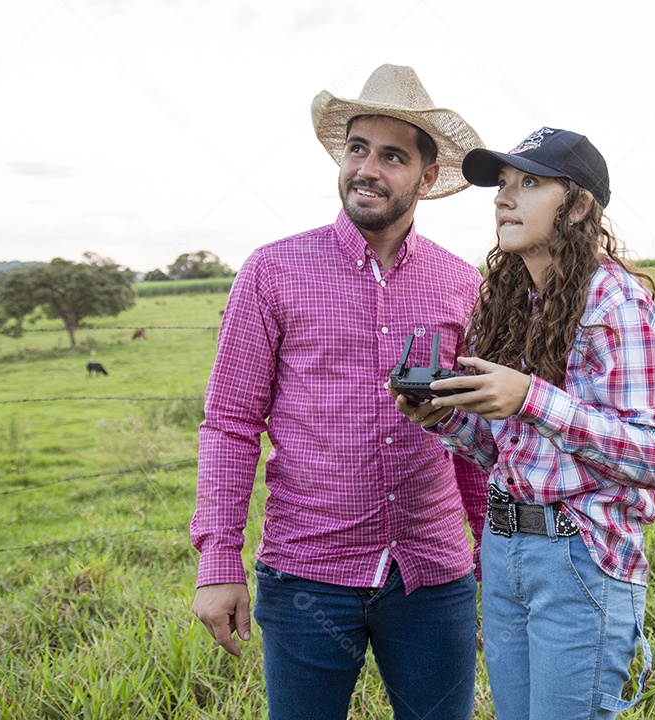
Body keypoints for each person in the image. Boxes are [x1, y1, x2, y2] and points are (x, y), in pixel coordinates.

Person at [189, 64, 488, 720]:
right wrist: (219, 560)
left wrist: (490, 555)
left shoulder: (460, 284)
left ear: (427, 177)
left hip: (433, 574)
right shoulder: (273, 271)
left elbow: (474, 436)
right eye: (357, 149)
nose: (367, 170)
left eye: (392, 156)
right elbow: (230, 422)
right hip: (307, 574)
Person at [393, 127, 655, 719]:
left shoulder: (616, 304)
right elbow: (508, 452)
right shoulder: (512, 303)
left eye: (529, 183)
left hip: (579, 557)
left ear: (577, 206)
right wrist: (446, 419)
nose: (504, 197)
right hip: (503, 549)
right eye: (503, 183)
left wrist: (530, 397)